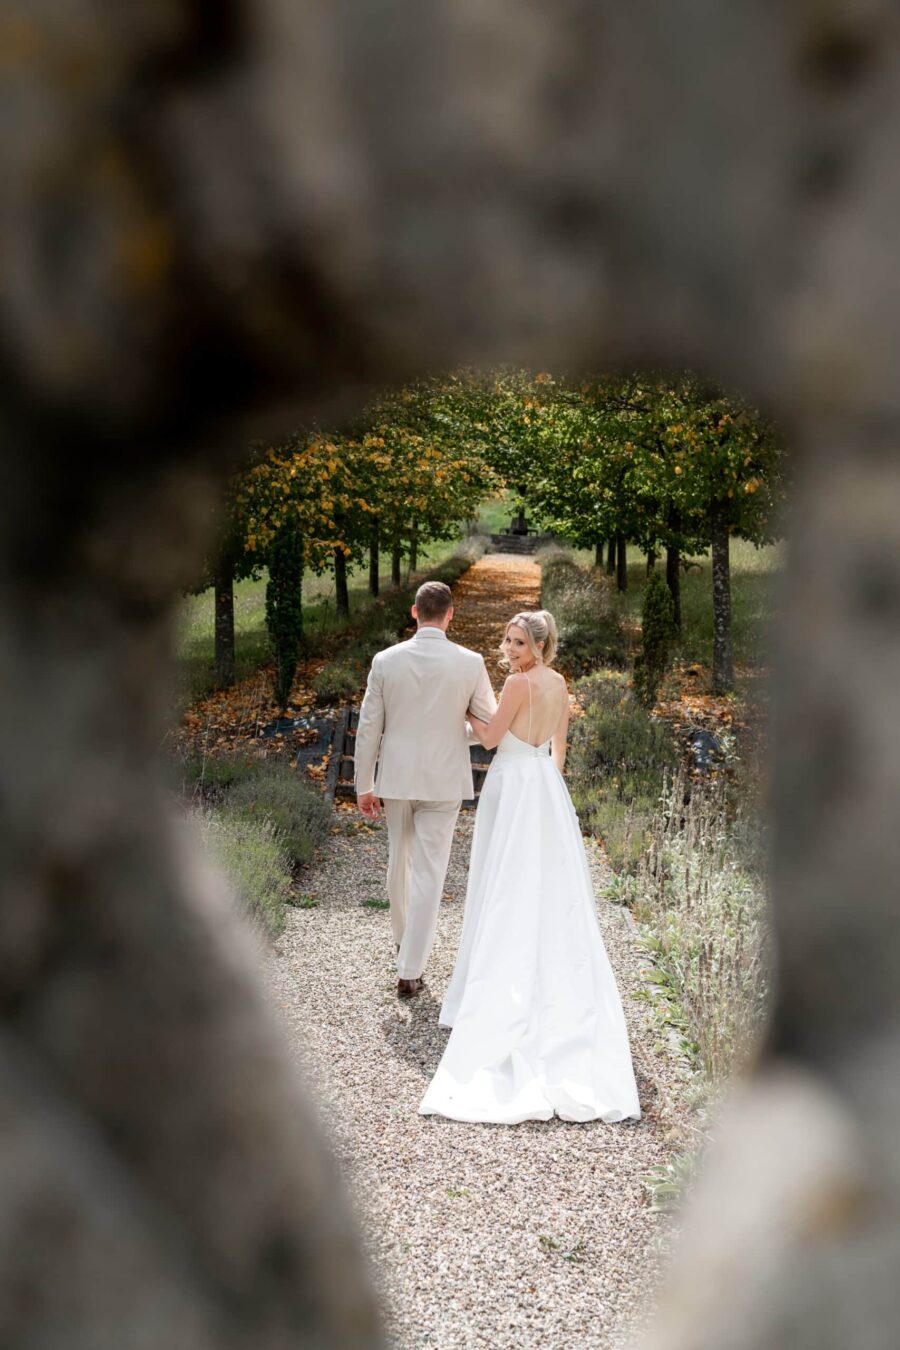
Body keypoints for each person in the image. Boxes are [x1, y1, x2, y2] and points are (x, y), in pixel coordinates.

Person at [419, 610, 641, 1124]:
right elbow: (558, 748)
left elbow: (492, 739)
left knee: (503, 882)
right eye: (507, 640)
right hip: (544, 786)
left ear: (539, 646)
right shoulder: (562, 684)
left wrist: (464, 712)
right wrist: (545, 784)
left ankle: (500, 980)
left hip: (513, 784)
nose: (510, 649)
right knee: (545, 883)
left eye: (518, 642)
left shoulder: (519, 684)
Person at [354, 581, 497, 998]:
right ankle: (410, 967)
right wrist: (458, 731)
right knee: (430, 872)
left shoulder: (386, 660)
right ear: (450, 614)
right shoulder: (471, 663)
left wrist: (365, 785)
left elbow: (369, 728)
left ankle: (404, 945)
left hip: (396, 778)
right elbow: (487, 727)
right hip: (444, 779)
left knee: (399, 863)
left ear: (414, 612)